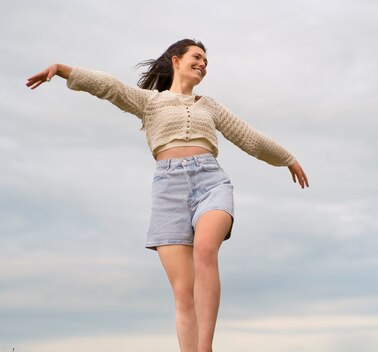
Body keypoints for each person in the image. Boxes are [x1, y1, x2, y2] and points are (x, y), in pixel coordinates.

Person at [26, 38, 309, 352]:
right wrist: (63, 70)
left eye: (206, 62)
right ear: (176, 60)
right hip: (168, 191)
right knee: (183, 291)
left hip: (210, 183)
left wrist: (287, 158)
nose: (202, 64)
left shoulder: (209, 106)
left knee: (205, 249)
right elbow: (110, 87)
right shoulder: (150, 102)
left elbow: (248, 137)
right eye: (197, 57)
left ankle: (206, 348)